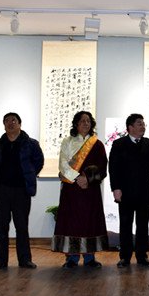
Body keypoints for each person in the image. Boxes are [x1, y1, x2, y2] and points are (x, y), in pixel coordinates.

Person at [0, 112, 44, 271]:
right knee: (1, 226)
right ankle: (0, 261)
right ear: (3, 124)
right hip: (1, 190)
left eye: (13, 120)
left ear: (19, 123)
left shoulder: (31, 144)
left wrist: (28, 174)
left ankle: (25, 260)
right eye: (7, 121)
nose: (10, 123)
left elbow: (38, 162)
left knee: (22, 226)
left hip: (21, 190)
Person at [52, 111, 109, 268]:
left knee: (90, 221)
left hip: (90, 190)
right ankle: (72, 257)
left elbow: (103, 166)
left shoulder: (97, 144)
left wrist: (88, 180)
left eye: (88, 121)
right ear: (76, 123)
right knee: (72, 222)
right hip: (72, 189)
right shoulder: (67, 142)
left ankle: (90, 257)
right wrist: (77, 178)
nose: (85, 123)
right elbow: (63, 164)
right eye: (82, 121)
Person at [109, 114, 149, 268]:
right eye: (139, 124)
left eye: (143, 124)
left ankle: (142, 256)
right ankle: (125, 257)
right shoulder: (119, 144)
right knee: (125, 224)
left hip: (145, 192)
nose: (143, 126)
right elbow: (113, 168)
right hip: (125, 192)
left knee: (143, 225)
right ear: (130, 127)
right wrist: (116, 188)